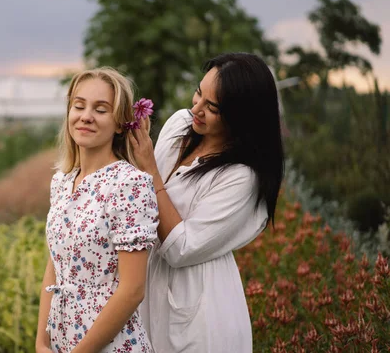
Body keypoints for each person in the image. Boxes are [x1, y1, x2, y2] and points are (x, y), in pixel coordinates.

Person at [131, 52, 285, 352]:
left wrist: (149, 169)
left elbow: (179, 248)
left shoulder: (241, 177)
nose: (196, 108)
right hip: (149, 288)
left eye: (211, 106)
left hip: (200, 306)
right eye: (199, 93)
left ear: (241, 115)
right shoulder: (178, 126)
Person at [36, 67, 159, 353]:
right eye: (79, 106)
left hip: (109, 345)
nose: (86, 116)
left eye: (100, 109)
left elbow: (132, 290)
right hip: (60, 340)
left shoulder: (130, 184)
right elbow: (55, 267)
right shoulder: (62, 182)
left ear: (119, 123)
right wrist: (42, 340)